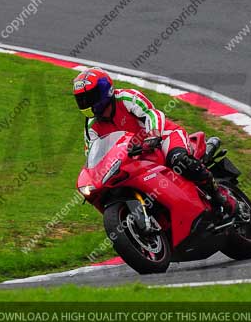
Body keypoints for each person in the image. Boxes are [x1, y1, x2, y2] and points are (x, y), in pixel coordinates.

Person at [73, 67, 237, 218]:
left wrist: (153, 134)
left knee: (178, 159)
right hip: (135, 156)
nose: (86, 103)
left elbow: (151, 114)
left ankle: (218, 196)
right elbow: (93, 153)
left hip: (164, 137)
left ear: (104, 92)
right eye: (81, 99)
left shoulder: (126, 98)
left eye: (89, 98)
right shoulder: (91, 126)